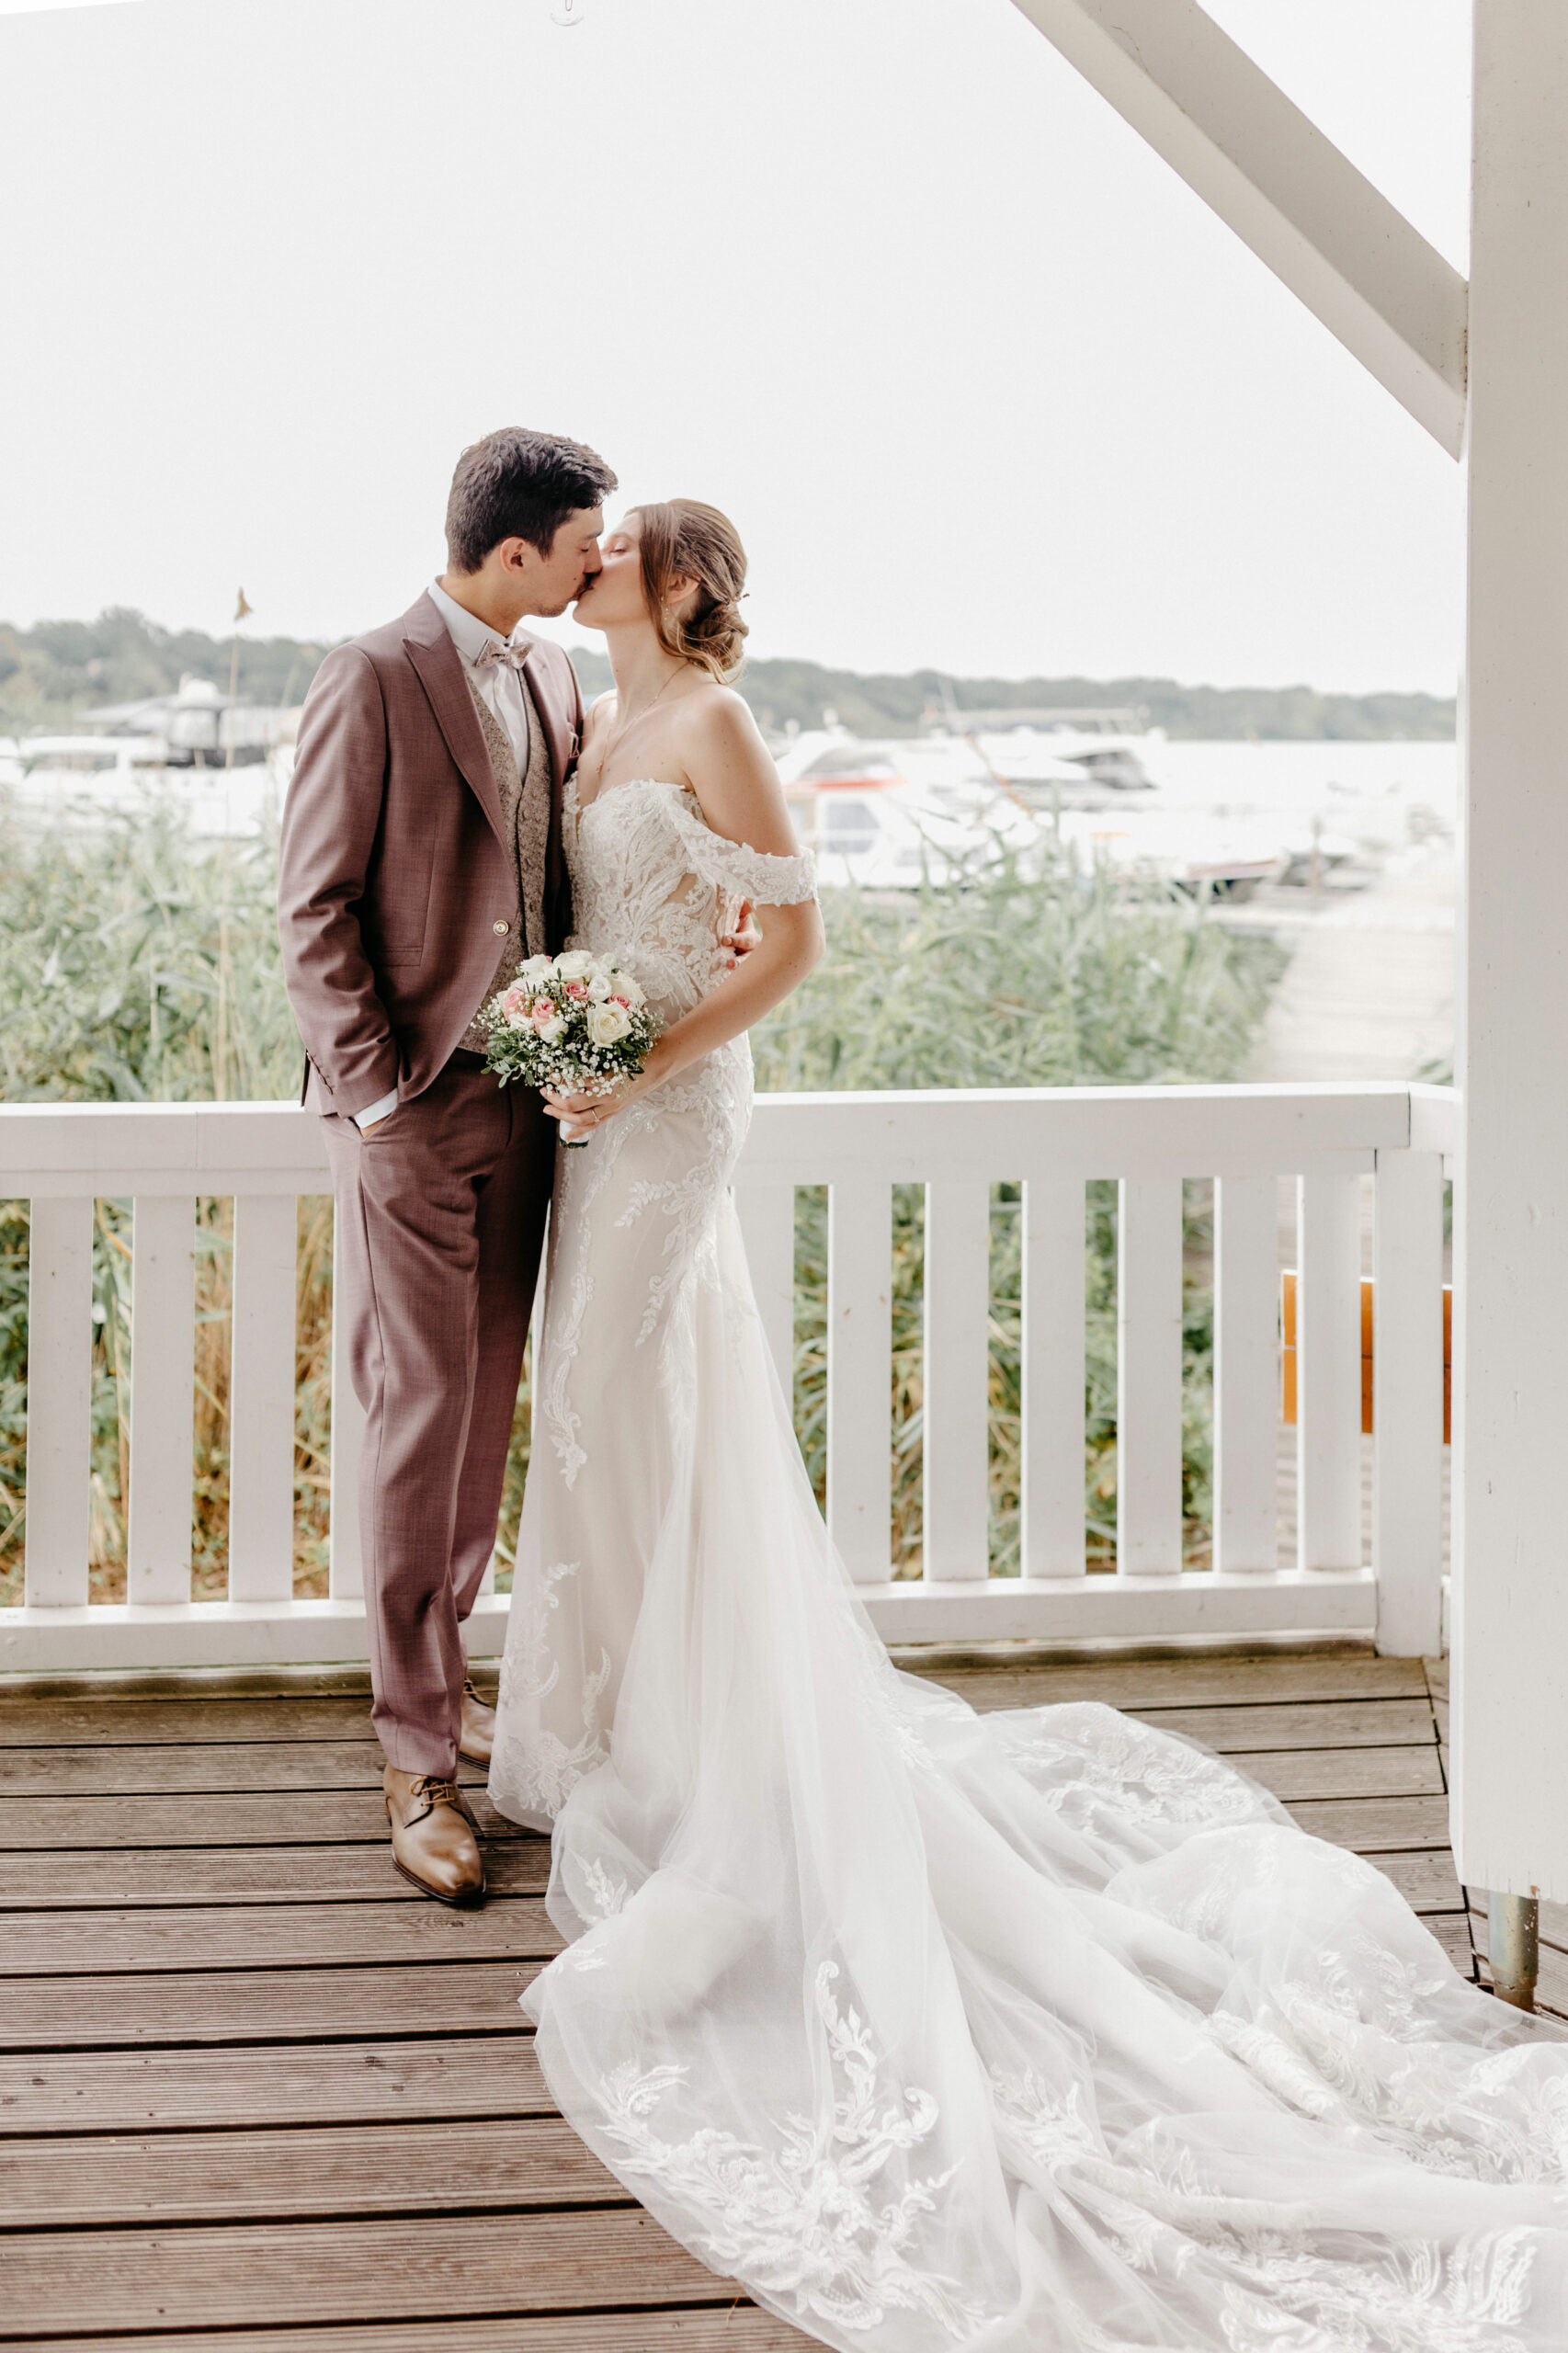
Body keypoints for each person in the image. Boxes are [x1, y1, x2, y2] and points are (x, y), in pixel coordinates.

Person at [489, 499, 1568, 2352]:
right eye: (579, 553)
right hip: (603, 1119)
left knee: (639, 1398)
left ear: (675, 582)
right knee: (596, 1414)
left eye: (615, 555)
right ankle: (612, 1722)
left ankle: (690, 1745)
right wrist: (563, 1040)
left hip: (670, 1118)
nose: (585, 572)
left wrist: (640, 1055)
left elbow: (786, 942)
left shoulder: (717, 723)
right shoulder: (588, 719)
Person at [278, 427, 614, 1904]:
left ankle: (448, 1692)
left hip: (533, 1111)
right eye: (584, 545)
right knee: (422, 1422)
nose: (598, 565)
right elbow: (313, 906)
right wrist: (375, 1105)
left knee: (484, 1424)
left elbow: (558, 878)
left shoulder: (550, 675)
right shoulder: (372, 671)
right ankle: (415, 1757)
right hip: (414, 1111)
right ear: (518, 548)